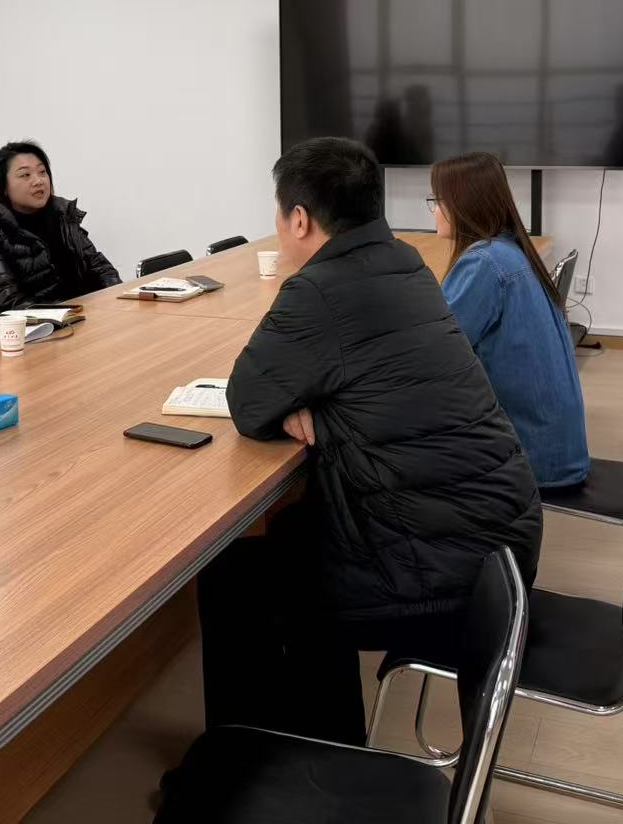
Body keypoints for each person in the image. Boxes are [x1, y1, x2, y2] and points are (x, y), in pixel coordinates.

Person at [201, 137, 541, 746]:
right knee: (293, 533)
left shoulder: (319, 289)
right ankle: (328, 739)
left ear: (299, 219)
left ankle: (250, 766)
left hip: (444, 570)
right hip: (500, 540)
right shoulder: (404, 261)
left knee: (234, 575)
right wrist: (314, 400)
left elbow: (248, 402)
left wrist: (302, 402)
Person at [431, 151, 590, 489]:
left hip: (532, 459)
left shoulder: (484, 264)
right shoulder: (510, 251)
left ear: (463, 204)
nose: (434, 210)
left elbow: (436, 354)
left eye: (438, 201)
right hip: (556, 446)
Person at [0, 141, 121, 315]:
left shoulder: (62, 216)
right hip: (39, 326)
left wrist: (116, 301)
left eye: (42, 172)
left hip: (81, 315)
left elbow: (101, 269)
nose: (38, 181)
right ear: (3, 187)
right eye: (25, 175)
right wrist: (67, 316)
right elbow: (10, 303)